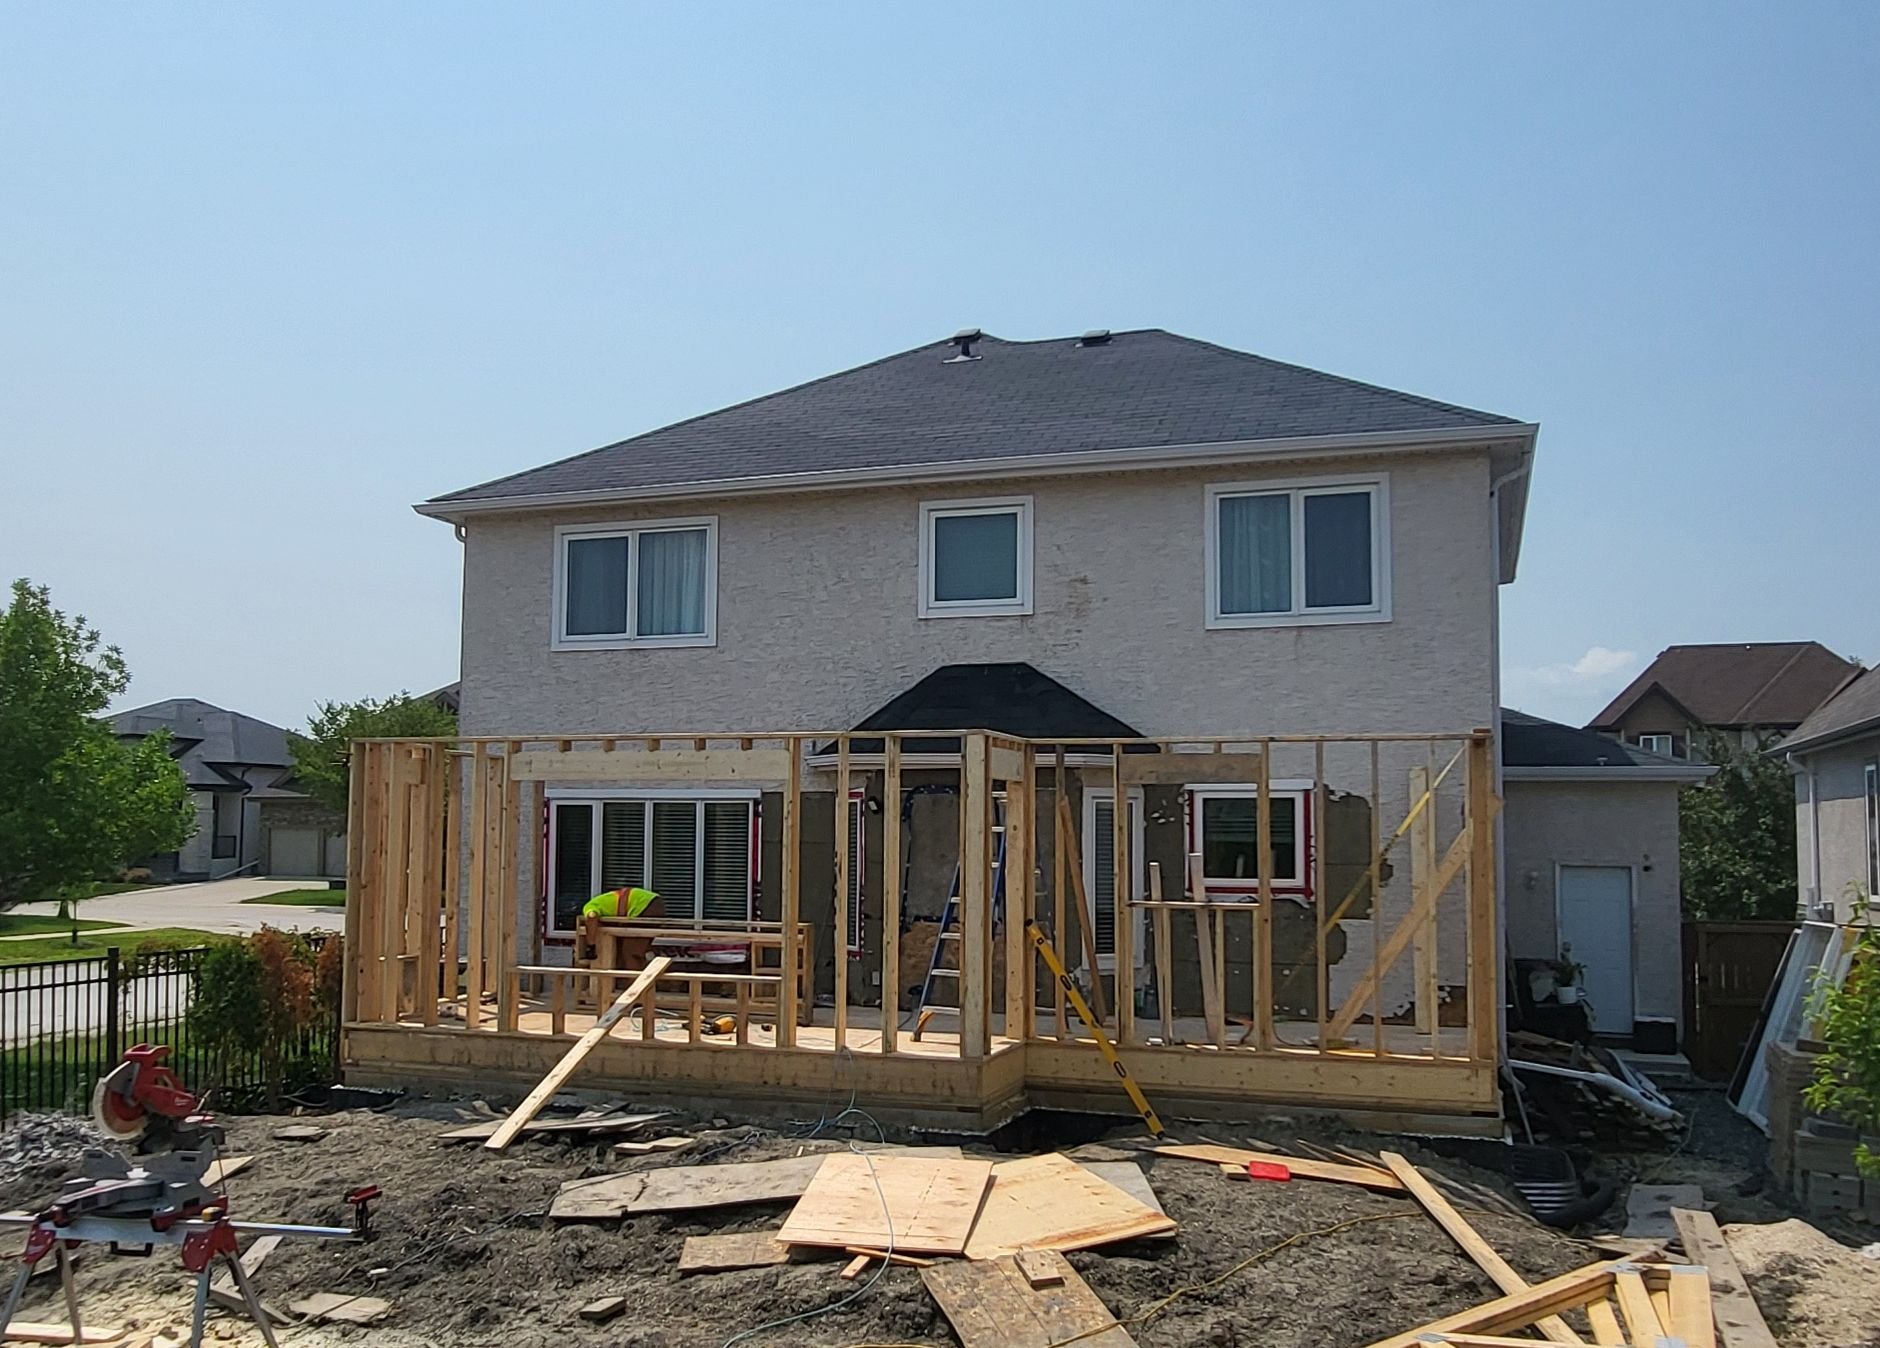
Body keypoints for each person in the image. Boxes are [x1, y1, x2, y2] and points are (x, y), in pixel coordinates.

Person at [581, 886, 662, 969]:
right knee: (634, 950)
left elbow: (591, 917)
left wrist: (591, 945)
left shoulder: (589, 906)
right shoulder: (604, 904)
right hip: (651, 902)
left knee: (630, 952)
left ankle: (634, 981)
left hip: (643, 904)